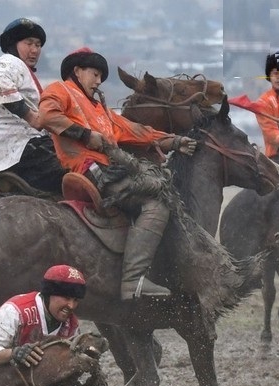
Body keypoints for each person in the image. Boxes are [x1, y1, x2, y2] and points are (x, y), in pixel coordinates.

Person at [39, 47, 197, 300]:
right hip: (89, 170)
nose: (99, 80)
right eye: (95, 73)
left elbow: (135, 130)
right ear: (77, 71)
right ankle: (133, 281)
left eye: (101, 75)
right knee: (158, 204)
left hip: (110, 169)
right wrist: (85, 135)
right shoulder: (60, 90)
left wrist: (173, 141)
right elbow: (46, 116)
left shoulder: (101, 110)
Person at [0, 18, 64, 196]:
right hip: (23, 148)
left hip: (15, 150)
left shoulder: (22, 71)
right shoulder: (9, 62)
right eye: (29, 43)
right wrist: (31, 116)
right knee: (83, 170)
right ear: (13, 45)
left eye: (38, 44)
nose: (35, 50)